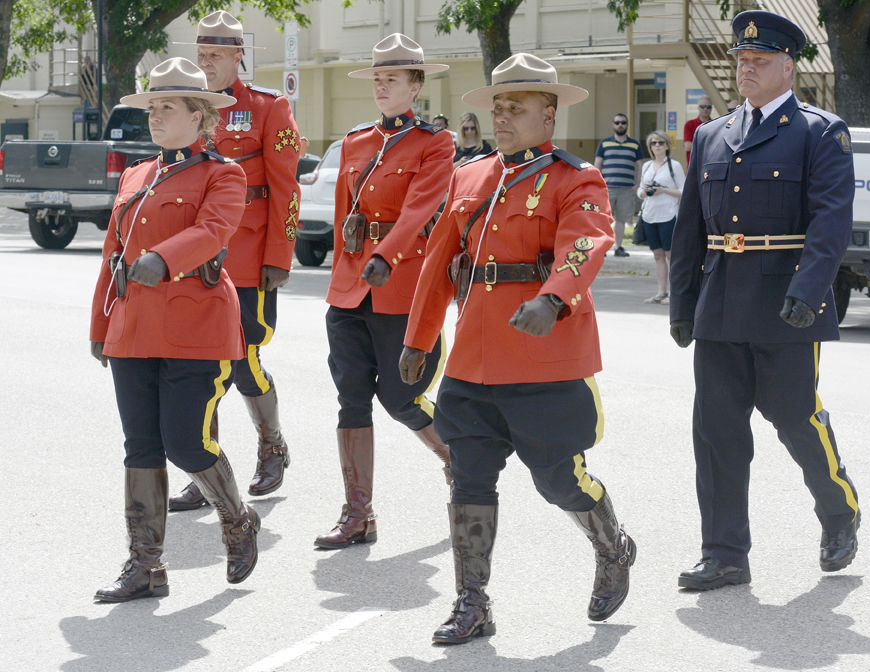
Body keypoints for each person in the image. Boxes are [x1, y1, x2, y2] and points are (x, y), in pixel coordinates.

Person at [400, 52, 636, 645]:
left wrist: (553, 299)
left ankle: (612, 546)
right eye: (497, 107)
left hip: (544, 359)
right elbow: (436, 267)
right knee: (468, 479)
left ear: (549, 113)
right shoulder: (469, 177)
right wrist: (418, 340)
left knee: (559, 480)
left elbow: (586, 242)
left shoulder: (575, 177)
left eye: (517, 107)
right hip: (474, 362)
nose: (502, 117)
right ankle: (472, 602)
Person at [667, 9, 860, 591]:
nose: (745, 69)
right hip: (722, 304)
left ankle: (838, 510)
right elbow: (689, 229)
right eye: (741, 60)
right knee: (718, 432)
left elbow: (831, 222)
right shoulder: (712, 135)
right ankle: (724, 552)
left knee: (795, 420)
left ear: (788, 65)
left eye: (758, 61)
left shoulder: (820, 132)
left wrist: (809, 292)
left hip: (785, 301)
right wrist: (683, 304)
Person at [90, 57, 259, 602]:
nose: (156, 117)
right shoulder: (137, 174)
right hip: (134, 327)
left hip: (196, 328)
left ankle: (236, 519)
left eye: (167, 107)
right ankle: (145, 566)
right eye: (153, 107)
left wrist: (164, 258)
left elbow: (214, 230)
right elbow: (112, 254)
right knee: (140, 444)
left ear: (200, 115)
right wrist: (100, 323)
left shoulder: (223, 174)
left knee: (187, 443)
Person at [314, 33, 456, 550]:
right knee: (351, 398)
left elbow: (421, 210)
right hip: (352, 288)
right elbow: (342, 217)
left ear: (415, 85)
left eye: (392, 78)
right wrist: (342, 272)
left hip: (398, 285)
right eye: (377, 78)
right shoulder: (355, 141)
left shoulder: (435, 143)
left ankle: (453, 456)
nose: (381, 86)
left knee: (400, 398)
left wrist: (384, 256)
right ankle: (358, 514)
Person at [168, 11, 302, 511]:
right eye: (202, 55)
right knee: (203, 361)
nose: (207, 65)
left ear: (237, 56)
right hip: (199, 256)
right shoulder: (190, 108)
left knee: (244, 357)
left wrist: (280, 256)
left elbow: (286, 189)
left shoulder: (268, 108)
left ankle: (272, 444)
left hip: (248, 256)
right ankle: (206, 467)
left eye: (217, 56)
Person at [636, 130, 685, 304]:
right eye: (653, 143)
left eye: (660, 143)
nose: (657, 146)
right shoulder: (647, 166)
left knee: (671, 255)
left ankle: (674, 293)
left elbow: (683, 191)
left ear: (667, 146)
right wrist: (644, 192)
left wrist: (663, 190)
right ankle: (660, 292)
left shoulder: (674, 166)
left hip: (668, 215)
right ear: (649, 147)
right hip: (649, 215)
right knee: (657, 255)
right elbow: (640, 190)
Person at [594, 113, 645, 257]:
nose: (620, 125)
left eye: (623, 122)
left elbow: (640, 166)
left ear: (627, 125)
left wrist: (638, 184)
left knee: (621, 219)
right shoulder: (604, 143)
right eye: (617, 122)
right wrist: (596, 184)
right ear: (613, 124)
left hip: (626, 189)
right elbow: (597, 164)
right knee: (604, 219)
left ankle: (619, 247)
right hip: (607, 188)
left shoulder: (635, 144)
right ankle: (602, 248)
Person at [683, 95, 713, 165]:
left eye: (708, 107)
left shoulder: (716, 124)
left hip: (711, 166)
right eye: (702, 106)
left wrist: (695, 144)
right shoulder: (689, 125)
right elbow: (687, 147)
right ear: (698, 108)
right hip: (694, 167)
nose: (705, 109)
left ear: (711, 109)